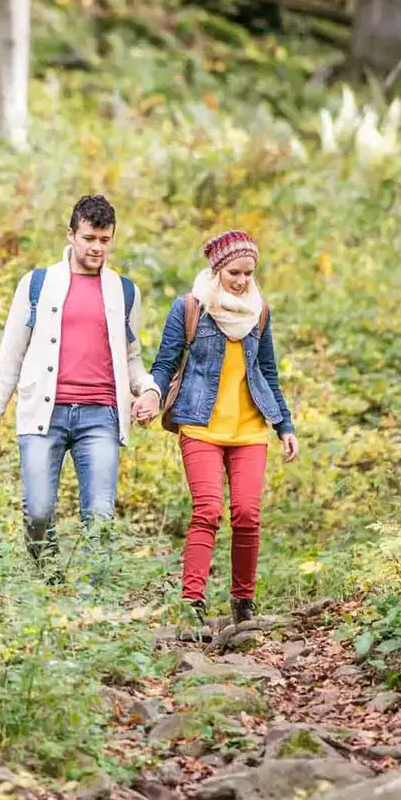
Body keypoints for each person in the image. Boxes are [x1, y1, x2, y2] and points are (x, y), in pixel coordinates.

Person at [0, 194, 162, 570]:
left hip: (101, 416)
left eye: (105, 240)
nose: (97, 248)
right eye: (89, 238)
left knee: (100, 516)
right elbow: (10, 357)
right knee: (39, 511)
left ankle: (95, 604)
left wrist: (151, 390)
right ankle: (50, 588)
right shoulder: (37, 284)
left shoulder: (124, 291)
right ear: (72, 235)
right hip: (44, 414)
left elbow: (130, 359)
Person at [149, 229, 299, 629]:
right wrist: (150, 394)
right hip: (200, 425)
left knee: (248, 514)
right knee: (208, 511)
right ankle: (192, 603)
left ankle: (243, 604)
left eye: (249, 273)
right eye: (235, 272)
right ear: (217, 270)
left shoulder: (258, 312)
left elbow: (267, 371)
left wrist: (284, 424)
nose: (242, 280)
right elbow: (164, 364)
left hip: (250, 429)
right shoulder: (190, 308)